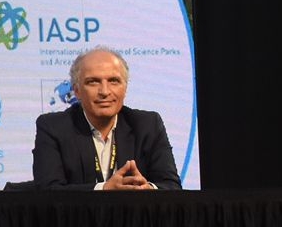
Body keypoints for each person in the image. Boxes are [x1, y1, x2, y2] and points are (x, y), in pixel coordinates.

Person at [31, 46, 181, 190]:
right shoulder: (53, 127)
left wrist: (148, 190)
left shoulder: (148, 125)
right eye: (93, 82)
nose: (104, 91)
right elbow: (48, 191)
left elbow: (171, 186)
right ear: (77, 91)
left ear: (125, 88)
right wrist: (104, 189)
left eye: (113, 81)